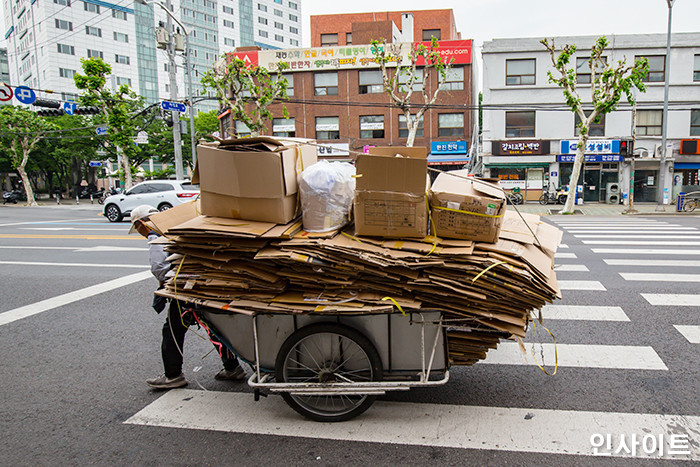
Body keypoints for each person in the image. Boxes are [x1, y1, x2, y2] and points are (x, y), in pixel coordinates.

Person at [129, 204, 246, 390]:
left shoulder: (155, 235)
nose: (139, 232)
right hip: (201, 285)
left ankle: (173, 375)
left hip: (183, 291)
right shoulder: (174, 225)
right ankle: (232, 367)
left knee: (173, 331)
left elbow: (159, 270)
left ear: (141, 224)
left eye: (137, 228)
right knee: (212, 327)